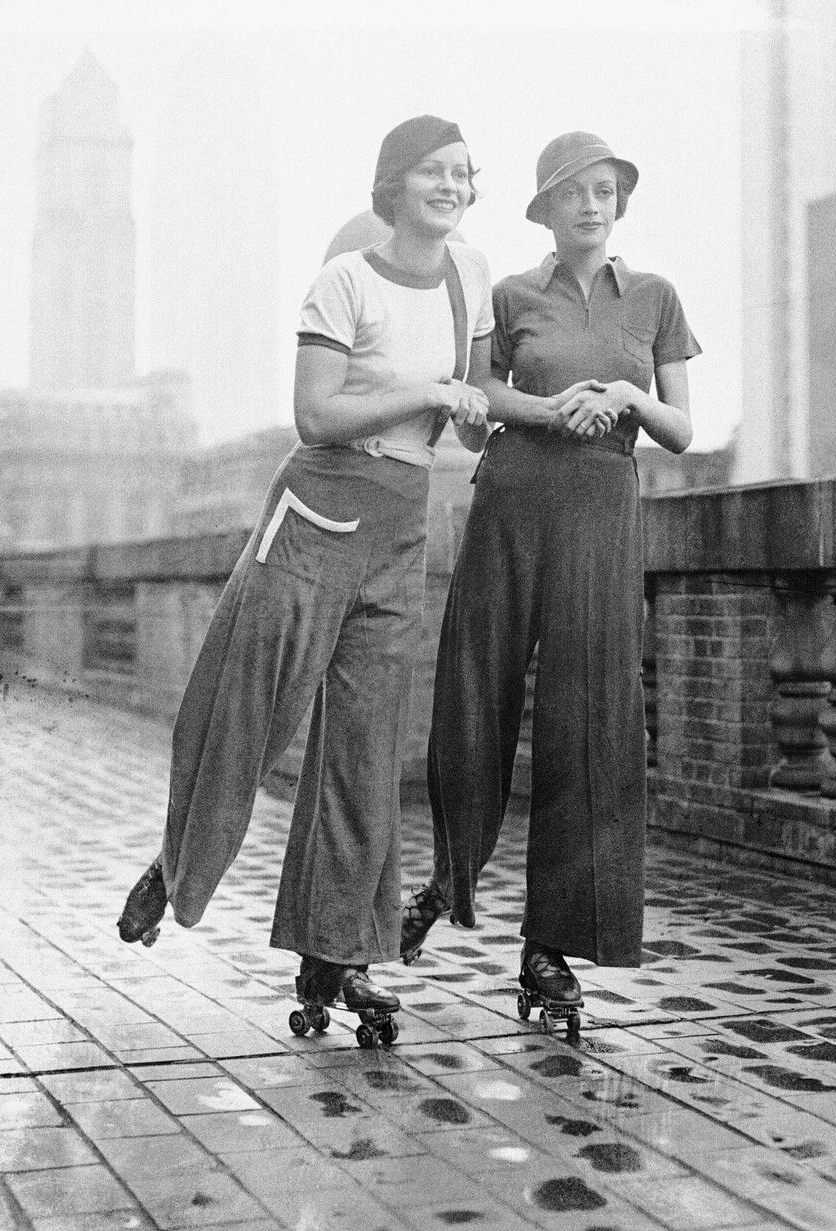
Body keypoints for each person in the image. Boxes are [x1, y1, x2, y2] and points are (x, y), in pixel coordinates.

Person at [117, 115, 493, 1030]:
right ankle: (178, 862)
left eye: (464, 173)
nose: (451, 186)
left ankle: (337, 960)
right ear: (393, 184)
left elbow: (474, 409)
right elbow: (315, 415)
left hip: (401, 525)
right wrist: (431, 393)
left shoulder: (469, 277)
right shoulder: (345, 280)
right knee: (251, 708)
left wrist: (525, 410)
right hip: (319, 511)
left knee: (364, 755)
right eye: (433, 172)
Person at [402, 131, 699, 1012]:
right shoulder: (509, 294)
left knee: (589, 719)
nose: (592, 204)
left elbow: (682, 428)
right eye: (574, 190)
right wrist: (550, 409)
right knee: (473, 699)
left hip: (603, 515)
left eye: (606, 189)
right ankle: (440, 887)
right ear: (545, 206)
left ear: (620, 203)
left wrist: (627, 398)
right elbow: (473, 407)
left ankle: (548, 951)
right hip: (511, 502)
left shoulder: (655, 298)